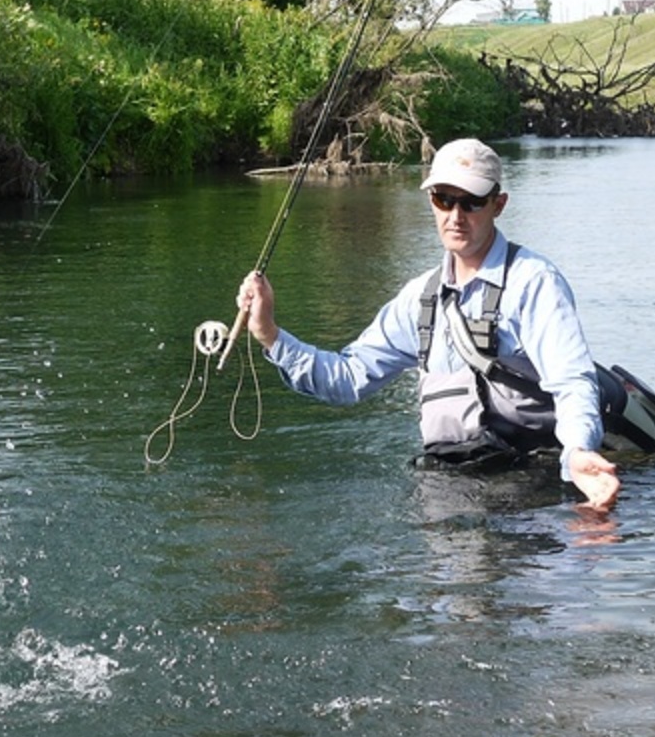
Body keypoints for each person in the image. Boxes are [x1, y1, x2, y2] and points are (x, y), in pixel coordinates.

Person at [237, 137, 621, 513]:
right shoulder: (418, 297)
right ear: (431, 202)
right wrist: (270, 334)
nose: (456, 216)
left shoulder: (534, 282)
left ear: (498, 204)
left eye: (472, 202)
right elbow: (348, 378)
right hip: (448, 490)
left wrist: (578, 453)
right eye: (443, 199)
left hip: (536, 487)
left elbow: (571, 382)